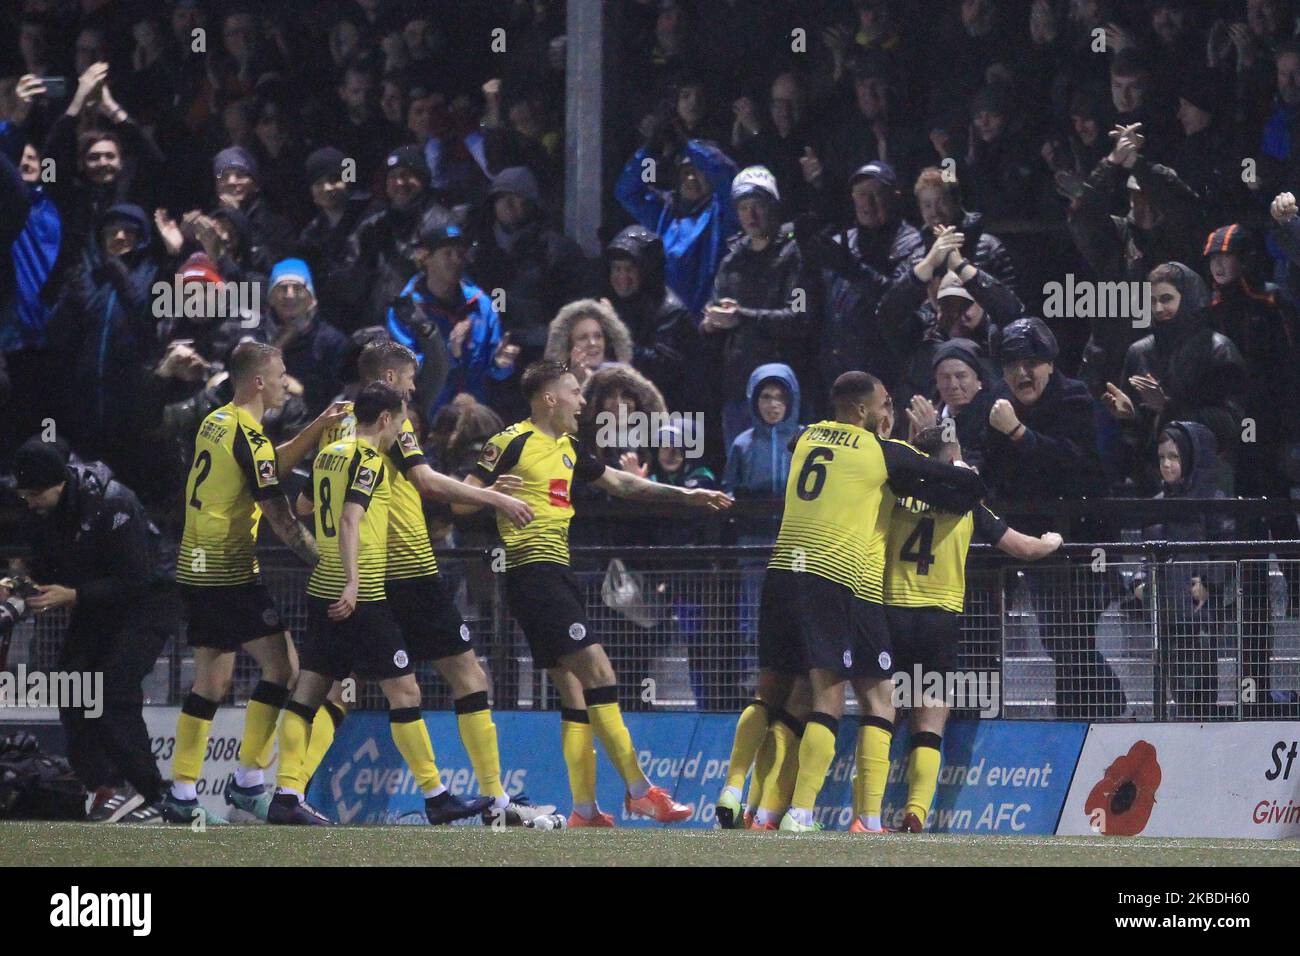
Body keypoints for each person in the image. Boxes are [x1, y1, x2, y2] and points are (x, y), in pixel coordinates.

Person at [454, 360, 732, 826]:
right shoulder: (510, 442)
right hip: (533, 573)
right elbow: (461, 500)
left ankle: (584, 809)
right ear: (549, 398)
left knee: (576, 693)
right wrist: (495, 495)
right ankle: (642, 791)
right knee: (600, 672)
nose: (583, 402)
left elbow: (621, 483)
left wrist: (685, 496)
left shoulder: (570, 447)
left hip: (556, 573)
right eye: (574, 392)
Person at [291, 341, 550, 826]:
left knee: (331, 689)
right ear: (389, 381)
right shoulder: (394, 423)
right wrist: (490, 496)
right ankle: (493, 802)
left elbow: (304, 506)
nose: (413, 387)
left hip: (359, 579)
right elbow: (429, 483)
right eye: (409, 378)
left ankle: (290, 792)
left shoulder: (330, 430)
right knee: (468, 678)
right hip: (410, 572)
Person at [715, 371, 986, 832]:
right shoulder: (886, 454)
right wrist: (933, 448)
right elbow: (963, 487)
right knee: (832, 697)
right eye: (884, 403)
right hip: (839, 581)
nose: (888, 412)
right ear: (863, 410)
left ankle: (737, 791)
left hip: (781, 574)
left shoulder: (802, 438)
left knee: (772, 692)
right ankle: (807, 813)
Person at [161, 342, 344, 824]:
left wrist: (315, 428)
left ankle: (181, 792)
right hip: (229, 570)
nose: (287, 382)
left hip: (196, 565)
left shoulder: (217, 422)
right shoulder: (249, 435)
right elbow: (279, 514)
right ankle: (247, 783)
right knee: (283, 668)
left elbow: (262, 462)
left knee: (212, 681)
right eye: (282, 374)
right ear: (260, 382)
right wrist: (325, 561)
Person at [270, 382, 458, 825]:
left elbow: (302, 506)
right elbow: (352, 517)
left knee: (307, 694)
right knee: (405, 690)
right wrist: (354, 582)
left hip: (321, 589)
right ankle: (436, 796)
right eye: (402, 417)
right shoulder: (369, 459)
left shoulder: (331, 453)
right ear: (387, 419)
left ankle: (286, 794)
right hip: (362, 595)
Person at [857, 426, 1061, 833]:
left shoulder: (892, 497)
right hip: (939, 620)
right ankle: (915, 814)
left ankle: (867, 819)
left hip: (891, 613)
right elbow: (1024, 548)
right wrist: (1052, 540)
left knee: (881, 716)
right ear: (954, 461)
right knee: (929, 725)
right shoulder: (968, 505)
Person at [8, 438, 170, 823]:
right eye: (24, 493)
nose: (29, 501)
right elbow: (43, 564)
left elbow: (135, 580)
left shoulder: (115, 503)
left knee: (113, 692)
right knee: (70, 684)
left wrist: (73, 594)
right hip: (94, 604)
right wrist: (19, 583)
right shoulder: (43, 511)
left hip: (147, 604)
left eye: (35, 493)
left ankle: (151, 796)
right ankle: (102, 788)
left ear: (59, 484)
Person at [983, 317, 1125, 720]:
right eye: (1011, 365)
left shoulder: (1074, 398)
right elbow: (994, 472)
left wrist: (1018, 434)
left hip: (1086, 540)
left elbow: (1076, 466)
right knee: (1058, 638)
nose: (1021, 373)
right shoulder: (999, 403)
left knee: (1070, 636)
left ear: (1049, 364)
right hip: (1036, 542)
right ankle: (1089, 714)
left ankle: (1099, 709)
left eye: (1031, 363)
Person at [706, 166, 815, 447]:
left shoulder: (796, 255)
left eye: (758, 206)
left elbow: (799, 317)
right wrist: (712, 321)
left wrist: (742, 316)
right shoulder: (732, 259)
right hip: (739, 389)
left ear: (773, 207)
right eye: (744, 208)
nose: (751, 215)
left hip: (784, 392)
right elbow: (717, 307)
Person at [386, 214, 519, 417]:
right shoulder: (406, 312)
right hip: (426, 420)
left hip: (472, 419)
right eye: (448, 253)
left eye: (461, 253)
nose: (457, 260)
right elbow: (409, 373)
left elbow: (493, 371)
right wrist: (449, 352)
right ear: (425, 258)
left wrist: (501, 363)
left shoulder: (482, 306)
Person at [615, 136, 738, 314]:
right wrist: (649, 151)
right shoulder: (664, 211)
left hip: (707, 323)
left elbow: (728, 178)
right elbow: (626, 192)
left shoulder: (723, 214)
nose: (691, 178)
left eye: (699, 171)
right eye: (686, 171)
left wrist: (688, 146)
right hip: (667, 322)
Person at [542, 298, 634, 389]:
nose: (592, 343)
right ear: (568, 346)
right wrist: (580, 383)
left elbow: (623, 404)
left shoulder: (620, 377)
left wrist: (620, 397)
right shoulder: (553, 387)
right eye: (583, 338)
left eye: (598, 336)